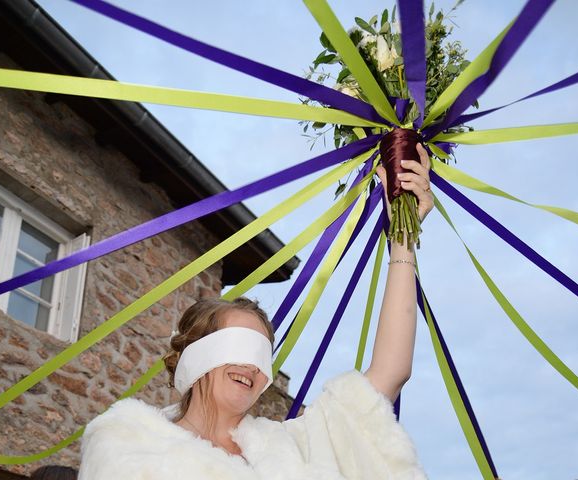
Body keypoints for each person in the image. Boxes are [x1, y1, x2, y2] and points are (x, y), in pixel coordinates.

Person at [78, 144, 434, 480]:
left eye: (262, 353)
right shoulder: (129, 448)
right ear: (194, 352)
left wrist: (402, 237)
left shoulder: (292, 448)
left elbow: (390, 373)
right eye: (240, 344)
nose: (252, 365)